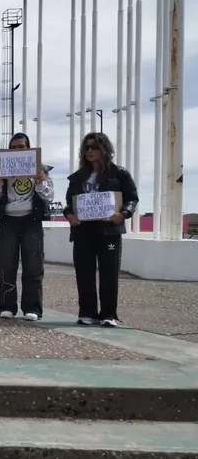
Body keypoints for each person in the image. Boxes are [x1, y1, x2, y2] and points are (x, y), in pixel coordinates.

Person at [63, 132, 138, 327]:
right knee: (84, 272)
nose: (89, 151)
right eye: (86, 147)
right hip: (83, 230)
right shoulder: (77, 177)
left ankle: (108, 314)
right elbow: (68, 204)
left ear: (104, 149)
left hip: (108, 229)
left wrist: (122, 214)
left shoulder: (119, 173)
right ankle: (87, 313)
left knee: (109, 272)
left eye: (94, 147)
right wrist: (70, 216)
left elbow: (131, 198)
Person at [0, 132, 54, 320]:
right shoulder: (2, 168)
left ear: (29, 148)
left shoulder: (40, 169)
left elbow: (49, 197)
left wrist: (40, 181)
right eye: (14, 147)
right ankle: (7, 306)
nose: (18, 150)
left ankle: (32, 308)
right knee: (6, 265)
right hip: (8, 220)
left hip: (31, 221)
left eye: (22, 146)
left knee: (34, 266)